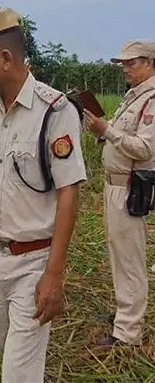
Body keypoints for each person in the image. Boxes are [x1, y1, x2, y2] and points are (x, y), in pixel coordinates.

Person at [0, 8, 86, 383]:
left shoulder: (55, 112)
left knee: (17, 373)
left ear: (6, 59)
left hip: (32, 262)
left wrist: (54, 275)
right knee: (4, 348)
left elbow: (69, 194)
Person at [83, 40, 155, 347]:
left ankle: (128, 332)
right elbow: (122, 132)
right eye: (123, 63)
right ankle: (125, 312)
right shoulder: (133, 96)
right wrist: (102, 127)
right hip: (115, 184)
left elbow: (146, 147)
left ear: (150, 62)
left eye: (132, 62)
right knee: (118, 253)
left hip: (129, 185)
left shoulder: (152, 99)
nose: (125, 67)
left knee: (130, 258)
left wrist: (107, 131)